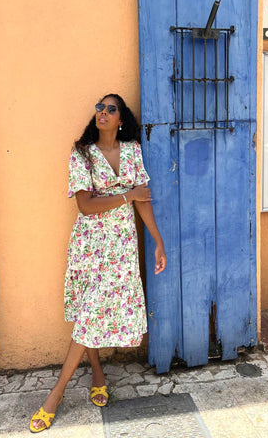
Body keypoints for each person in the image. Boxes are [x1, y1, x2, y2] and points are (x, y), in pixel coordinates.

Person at [29, 93, 166, 433]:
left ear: (121, 119)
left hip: (121, 247)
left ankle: (94, 376)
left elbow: (143, 200)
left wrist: (158, 241)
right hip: (90, 244)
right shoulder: (83, 154)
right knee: (87, 312)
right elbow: (86, 206)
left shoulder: (132, 150)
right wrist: (126, 196)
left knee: (92, 314)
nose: (102, 113)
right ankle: (60, 393)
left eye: (110, 109)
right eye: (99, 108)